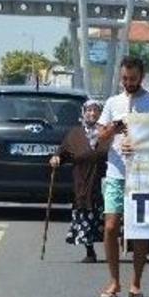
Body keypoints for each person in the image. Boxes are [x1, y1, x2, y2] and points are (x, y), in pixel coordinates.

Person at [96, 56, 149, 297]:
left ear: (142, 76)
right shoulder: (112, 103)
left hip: (143, 174)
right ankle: (114, 281)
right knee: (111, 226)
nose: (128, 83)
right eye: (125, 79)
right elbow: (100, 138)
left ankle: (136, 281)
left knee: (139, 229)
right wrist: (113, 129)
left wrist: (143, 142)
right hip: (116, 173)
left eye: (133, 79)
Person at [50, 100, 107, 263]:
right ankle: (90, 251)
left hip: (104, 181)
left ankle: (113, 248)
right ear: (83, 113)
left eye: (96, 111)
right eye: (89, 110)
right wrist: (56, 158)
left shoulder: (108, 132)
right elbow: (62, 152)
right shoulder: (74, 134)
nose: (92, 114)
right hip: (83, 182)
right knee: (85, 215)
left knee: (109, 217)